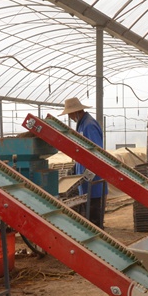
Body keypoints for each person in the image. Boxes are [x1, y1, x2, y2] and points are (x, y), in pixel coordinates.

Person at [61, 97, 108, 228]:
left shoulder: (89, 126)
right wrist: (75, 168)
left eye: (70, 114)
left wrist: (88, 175)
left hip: (94, 183)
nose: (69, 117)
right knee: (88, 219)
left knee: (94, 220)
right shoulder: (81, 124)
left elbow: (96, 154)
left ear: (76, 111)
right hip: (86, 183)